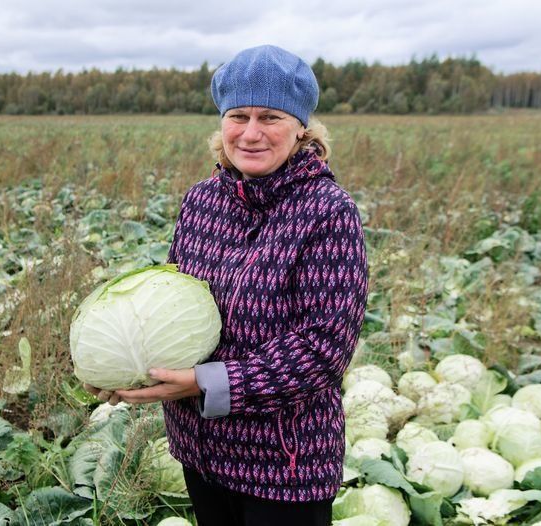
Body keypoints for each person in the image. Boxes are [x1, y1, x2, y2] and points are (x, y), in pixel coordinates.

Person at [85, 44, 368, 526]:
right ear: (222, 123)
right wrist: (124, 367)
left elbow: (323, 350)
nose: (251, 133)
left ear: (302, 127)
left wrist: (206, 383)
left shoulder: (328, 211)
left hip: (284, 465)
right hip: (199, 451)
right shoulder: (201, 201)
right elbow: (169, 300)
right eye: (238, 115)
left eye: (270, 117)